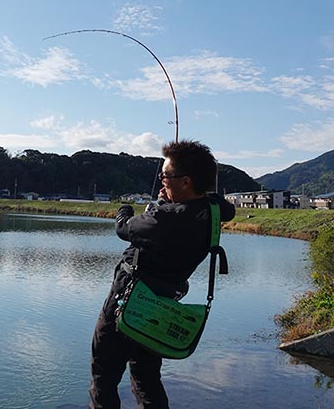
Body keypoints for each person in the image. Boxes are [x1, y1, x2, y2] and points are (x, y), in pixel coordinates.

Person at [89, 140, 236, 409]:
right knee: (146, 375)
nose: (162, 179)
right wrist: (164, 201)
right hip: (163, 304)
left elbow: (124, 229)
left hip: (128, 299)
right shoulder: (213, 210)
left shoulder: (165, 218)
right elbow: (225, 207)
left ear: (186, 181)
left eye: (166, 176)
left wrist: (126, 209)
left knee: (104, 376)